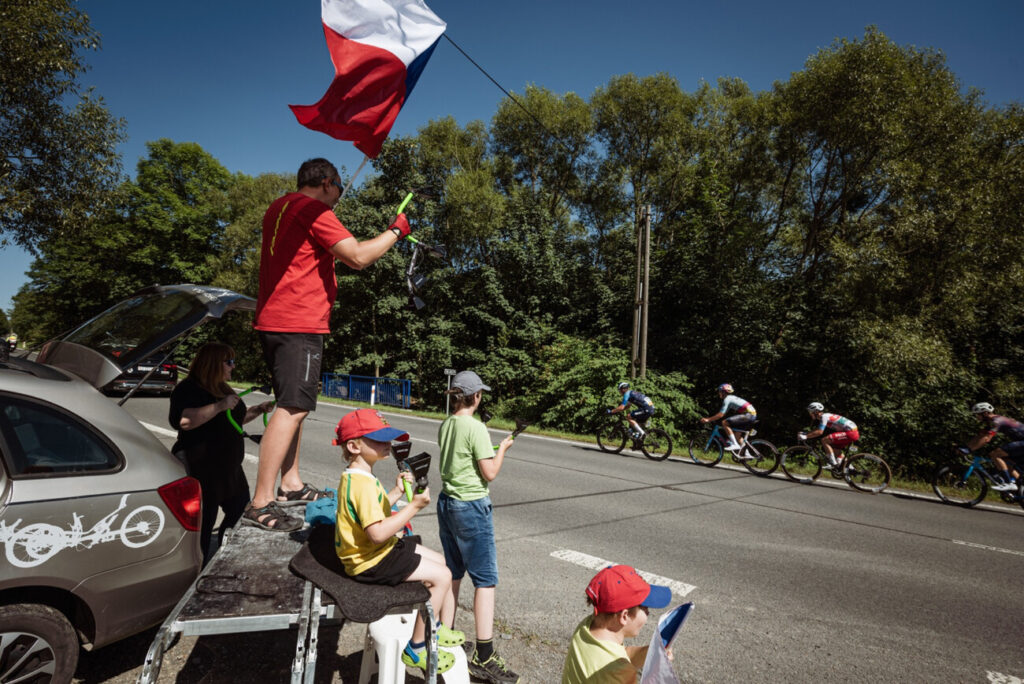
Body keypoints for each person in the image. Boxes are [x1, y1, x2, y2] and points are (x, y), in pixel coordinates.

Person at [246, 157, 412, 532]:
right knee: (292, 407)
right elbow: (357, 256)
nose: (338, 197)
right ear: (326, 182)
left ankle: (290, 483)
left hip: (276, 319)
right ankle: (260, 501)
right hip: (298, 321)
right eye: (338, 188)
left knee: (295, 406)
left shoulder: (280, 206)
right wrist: (396, 232)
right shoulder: (312, 209)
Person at [333, 408, 466, 674]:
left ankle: (436, 628)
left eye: (388, 439)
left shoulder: (359, 476)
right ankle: (416, 648)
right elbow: (378, 532)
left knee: (444, 564)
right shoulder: (362, 484)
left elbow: (374, 513)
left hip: (374, 552)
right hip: (370, 561)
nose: (388, 445)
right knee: (441, 577)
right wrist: (414, 506)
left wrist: (395, 491)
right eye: (379, 440)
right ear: (354, 445)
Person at [437, 370, 519, 683]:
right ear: (476, 397)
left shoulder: (447, 424)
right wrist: (502, 450)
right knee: (485, 580)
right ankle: (484, 654)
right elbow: (489, 473)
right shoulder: (476, 428)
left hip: (447, 503)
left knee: (452, 572)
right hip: (471, 507)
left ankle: (446, 635)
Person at [169, 343, 274, 565]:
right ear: (213, 363)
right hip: (202, 468)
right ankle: (197, 571)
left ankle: (221, 557)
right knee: (203, 527)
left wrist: (257, 410)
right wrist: (218, 406)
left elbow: (232, 420)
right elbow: (184, 422)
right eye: (229, 362)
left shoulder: (223, 388)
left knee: (239, 513)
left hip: (229, 469)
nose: (233, 366)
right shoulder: (189, 388)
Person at [562, 564, 673, 684]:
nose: (648, 612)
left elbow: (622, 654)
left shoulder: (587, 627)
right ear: (624, 616)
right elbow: (619, 666)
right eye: (645, 608)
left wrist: (652, 654)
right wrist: (659, 674)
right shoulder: (619, 674)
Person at [963, 402, 1022, 491]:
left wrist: (969, 450)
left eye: (978, 415)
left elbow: (987, 438)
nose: (977, 417)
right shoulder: (993, 421)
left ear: (985, 413)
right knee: (1006, 462)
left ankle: (1009, 483)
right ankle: (1020, 487)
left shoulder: (996, 421)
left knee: (995, 454)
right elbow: (980, 436)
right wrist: (966, 447)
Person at [699, 383, 757, 453]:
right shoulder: (731, 398)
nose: (719, 393)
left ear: (723, 392)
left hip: (748, 415)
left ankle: (735, 444)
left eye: (720, 391)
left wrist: (708, 419)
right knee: (737, 436)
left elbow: (720, 415)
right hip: (751, 415)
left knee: (724, 423)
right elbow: (722, 414)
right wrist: (714, 418)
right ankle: (746, 454)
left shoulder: (727, 399)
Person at [802, 402, 859, 467]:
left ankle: (833, 464)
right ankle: (850, 469)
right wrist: (806, 433)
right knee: (836, 450)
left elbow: (820, 432)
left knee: (824, 440)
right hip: (852, 432)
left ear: (816, 412)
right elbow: (817, 430)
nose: (810, 414)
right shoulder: (825, 416)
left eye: (811, 412)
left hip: (851, 432)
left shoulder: (824, 417)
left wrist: (806, 436)